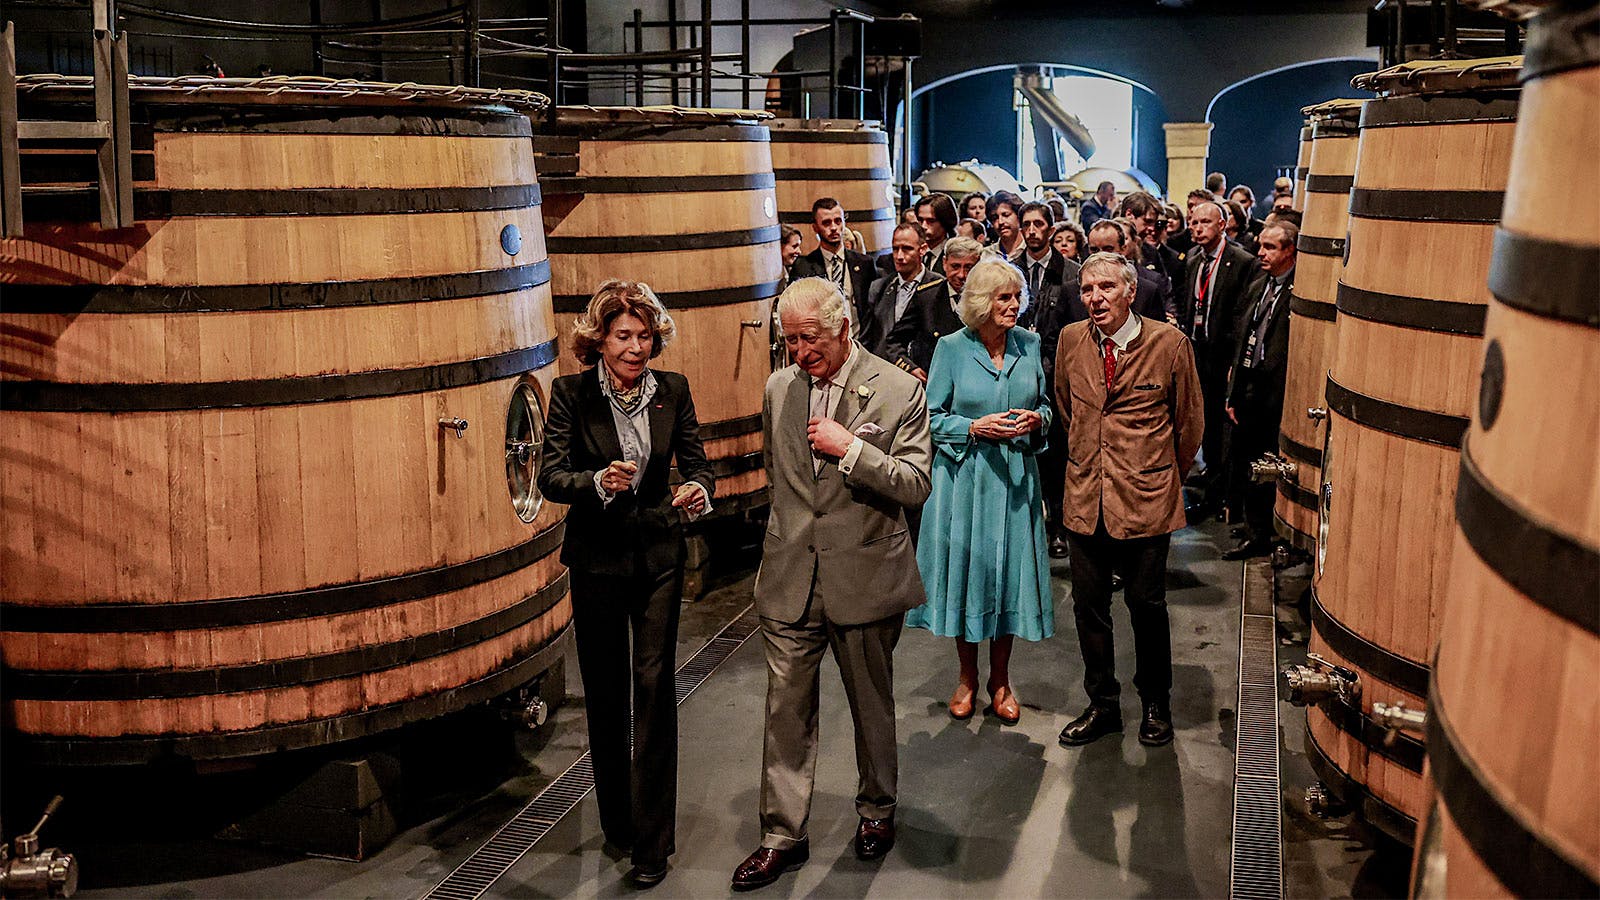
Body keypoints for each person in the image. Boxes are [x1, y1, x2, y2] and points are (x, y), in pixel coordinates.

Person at [731, 277, 932, 890]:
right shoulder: (778, 388)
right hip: (791, 576)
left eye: (809, 339)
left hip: (865, 574)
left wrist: (852, 452)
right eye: (789, 340)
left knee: (871, 703)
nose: (799, 353)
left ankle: (876, 811)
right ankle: (781, 834)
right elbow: (780, 478)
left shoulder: (899, 390)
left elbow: (915, 484)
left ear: (844, 325)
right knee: (785, 710)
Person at [537, 281, 715, 889]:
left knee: (654, 688)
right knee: (607, 697)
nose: (636, 347)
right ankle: (617, 818)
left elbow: (697, 463)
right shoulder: (571, 393)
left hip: (659, 556)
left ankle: (651, 843)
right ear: (600, 341)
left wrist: (698, 489)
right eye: (623, 337)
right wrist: (597, 481)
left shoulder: (674, 391)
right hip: (597, 561)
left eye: (643, 336)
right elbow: (552, 477)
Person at [1054, 252, 1204, 749]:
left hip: (1146, 498)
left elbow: (1189, 424)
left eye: (1105, 289)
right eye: (1088, 289)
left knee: (1146, 604)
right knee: (1089, 607)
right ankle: (1103, 704)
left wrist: (1160, 478)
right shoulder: (1071, 340)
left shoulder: (1168, 343)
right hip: (1084, 496)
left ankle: (1156, 703)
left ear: (1130, 291)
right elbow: (1066, 405)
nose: (1095, 299)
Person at [905, 258, 1053, 724]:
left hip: (1014, 482)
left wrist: (1038, 420)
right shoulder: (950, 347)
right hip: (964, 481)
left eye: (1016, 296)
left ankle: (1001, 681)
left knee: (1008, 576)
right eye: (1003, 298)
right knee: (969, 576)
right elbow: (930, 418)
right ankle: (967, 678)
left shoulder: (1029, 345)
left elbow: (1046, 406)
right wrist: (974, 427)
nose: (1013, 305)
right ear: (979, 303)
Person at [1222, 221, 1297, 560]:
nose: (1261, 253)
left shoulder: (1299, 292)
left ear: (1290, 251)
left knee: (1270, 461)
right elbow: (1242, 341)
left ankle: (1269, 531)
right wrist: (1234, 392)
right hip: (1251, 385)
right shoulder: (1258, 286)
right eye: (1261, 245)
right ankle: (1255, 530)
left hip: (1278, 391)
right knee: (1248, 460)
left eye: (1270, 247)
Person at [1181, 200, 1259, 519]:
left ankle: (1225, 496)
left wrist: (1235, 362)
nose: (1198, 229)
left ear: (1222, 225)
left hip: (1224, 356)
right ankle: (1212, 488)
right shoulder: (1193, 261)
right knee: (1205, 425)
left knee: (1223, 427)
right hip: (1198, 351)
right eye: (1194, 223)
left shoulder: (1241, 261)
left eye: (1205, 223)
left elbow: (1243, 316)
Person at [886, 235, 979, 380]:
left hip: (974, 380)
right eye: (955, 266)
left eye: (969, 267)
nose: (962, 275)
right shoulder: (926, 297)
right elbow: (894, 342)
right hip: (935, 381)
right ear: (944, 264)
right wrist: (911, 368)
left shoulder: (988, 298)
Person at [861, 222, 945, 359]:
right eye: (895, 249)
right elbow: (867, 340)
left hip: (922, 370)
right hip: (884, 371)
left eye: (907, 249)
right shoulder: (878, 288)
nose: (899, 256)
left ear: (922, 249)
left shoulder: (938, 286)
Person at [791, 197, 874, 334]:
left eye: (838, 221)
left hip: (859, 343)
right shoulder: (803, 267)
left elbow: (872, 311)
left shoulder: (864, 263)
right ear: (815, 227)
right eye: (826, 223)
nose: (834, 228)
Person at [1086, 220, 1174, 323]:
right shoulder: (1072, 291)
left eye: (1108, 249)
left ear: (1122, 250)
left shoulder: (1147, 290)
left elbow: (1157, 334)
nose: (1100, 255)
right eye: (1094, 250)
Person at [1120, 190, 1185, 289]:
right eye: (1147, 221)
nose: (1152, 228)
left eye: (1154, 223)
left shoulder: (1151, 252)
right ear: (1129, 214)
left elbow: (1165, 291)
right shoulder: (1101, 242)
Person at [915, 192, 958, 275]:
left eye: (931, 221)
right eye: (920, 220)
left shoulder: (956, 253)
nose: (923, 226)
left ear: (945, 222)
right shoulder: (913, 252)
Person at [986, 190, 1027, 258]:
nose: (1000, 222)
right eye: (995, 218)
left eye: (1006, 215)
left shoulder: (1031, 251)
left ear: (1019, 216)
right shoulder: (986, 255)